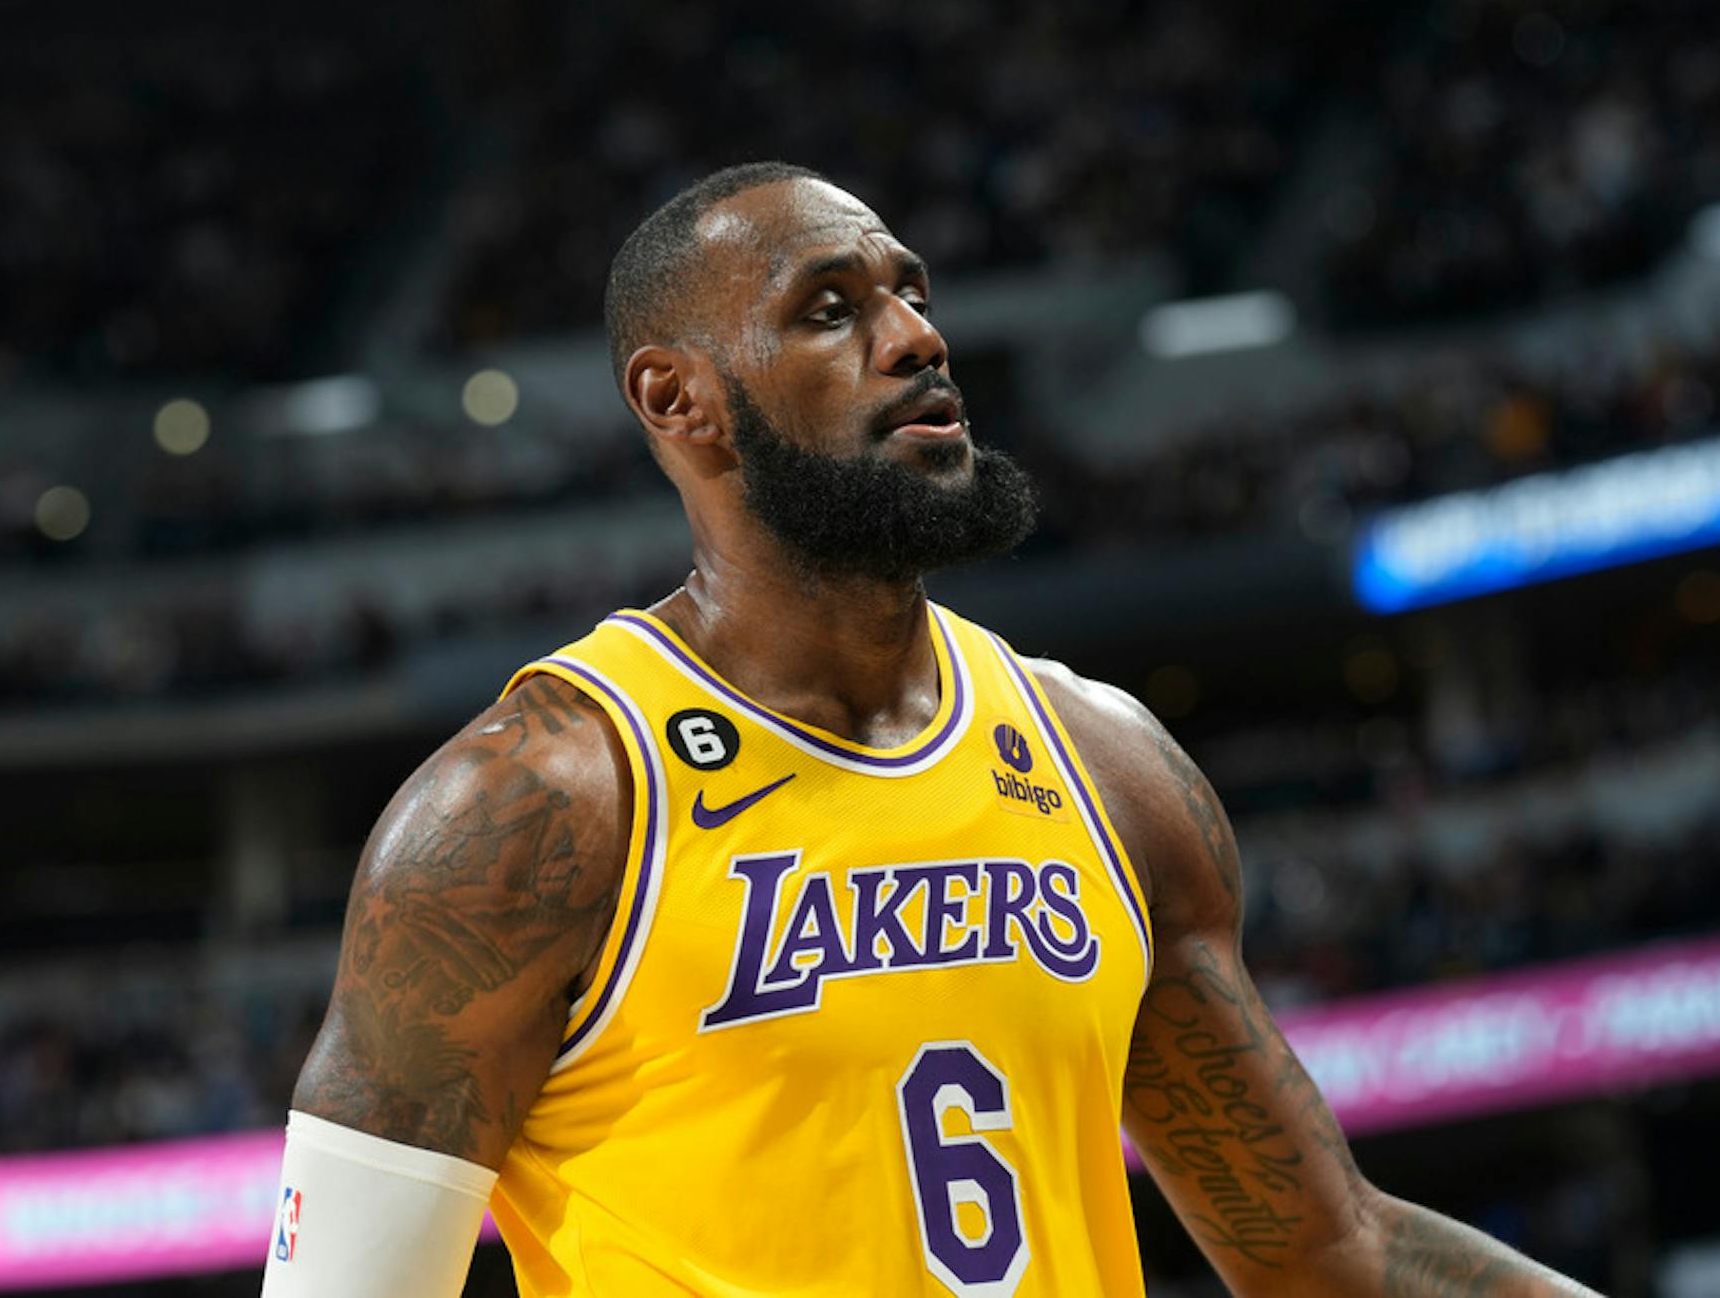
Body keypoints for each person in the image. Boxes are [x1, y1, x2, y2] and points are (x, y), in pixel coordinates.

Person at [261, 163, 1602, 1297]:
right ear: (679, 399)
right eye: (832, 310)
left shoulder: (1106, 761)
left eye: (911, 292)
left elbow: (1331, 1247)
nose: (913, 337)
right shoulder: (534, 804)